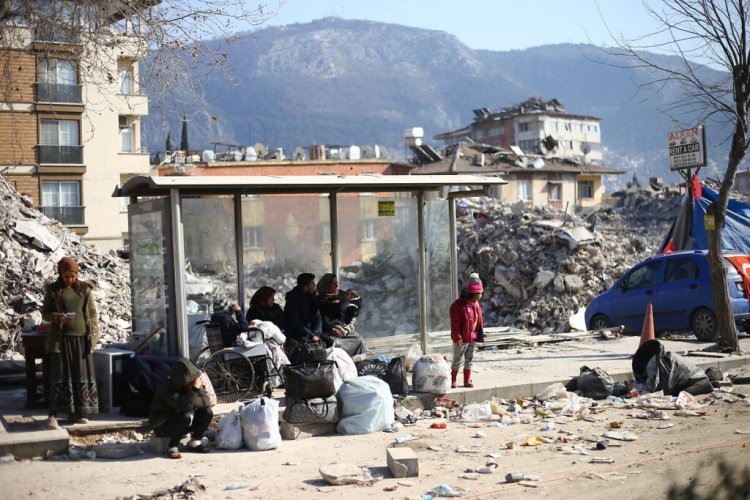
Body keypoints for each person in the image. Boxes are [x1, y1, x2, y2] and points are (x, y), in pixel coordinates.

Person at [41, 256, 100, 426]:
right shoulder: (53, 290)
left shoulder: (84, 289)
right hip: (60, 341)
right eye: (67, 276)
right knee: (59, 375)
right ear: (60, 274)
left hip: (81, 339)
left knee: (79, 375)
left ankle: (77, 413)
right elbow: (45, 313)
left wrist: (93, 335)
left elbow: (92, 313)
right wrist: (58, 318)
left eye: (73, 276)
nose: (70, 279)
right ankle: (52, 415)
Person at [149, 357, 212, 459]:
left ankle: (195, 442)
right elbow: (185, 406)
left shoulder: (193, 384)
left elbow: (206, 402)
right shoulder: (167, 388)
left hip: (181, 420)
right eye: (190, 383)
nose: (194, 384)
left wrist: (193, 393)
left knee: (207, 412)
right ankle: (172, 446)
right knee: (185, 416)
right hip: (163, 424)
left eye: (194, 382)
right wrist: (195, 390)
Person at [316, 273, 365, 357]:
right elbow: (319, 319)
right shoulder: (319, 300)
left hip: (341, 327)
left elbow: (356, 301)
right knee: (333, 343)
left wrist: (351, 321)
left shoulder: (342, 295)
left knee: (358, 340)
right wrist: (331, 329)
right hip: (327, 331)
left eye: (337, 283)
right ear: (326, 286)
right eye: (334, 284)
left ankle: (356, 362)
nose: (337, 286)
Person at [449, 272, 485, 389]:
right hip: (462, 338)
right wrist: (457, 336)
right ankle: (453, 379)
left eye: (480, 293)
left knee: (469, 359)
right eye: (477, 294)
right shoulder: (458, 306)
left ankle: (466, 380)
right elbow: (455, 324)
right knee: (457, 359)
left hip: (472, 337)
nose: (479, 296)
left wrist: (480, 334)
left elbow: (479, 321)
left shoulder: (476, 305)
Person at [283, 273, 324, 363]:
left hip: (310, 333)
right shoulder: (293, 299)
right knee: (296, 347)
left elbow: (317, 317)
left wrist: (317, 333)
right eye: (312, 284)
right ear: (305, 286)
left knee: (328, 342)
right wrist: (311, 335)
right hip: (295, 334)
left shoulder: (312, 297)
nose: (314, 286)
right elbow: (295, 322)